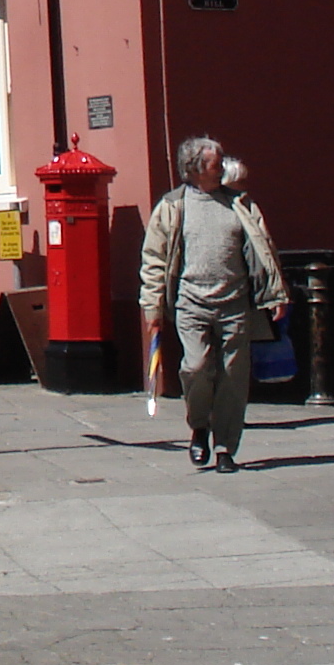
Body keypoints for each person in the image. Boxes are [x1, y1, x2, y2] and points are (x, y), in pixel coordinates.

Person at [139, 134, 287, 474]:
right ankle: (199, 426)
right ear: (195, 169)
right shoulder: (173, 207)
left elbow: (265, 250)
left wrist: (277, 295)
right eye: (215, 163)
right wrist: (153, 308)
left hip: (235, 304)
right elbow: (154, 260)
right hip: (191, 303)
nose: (222, 168)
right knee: (195, 367)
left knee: (234, 376)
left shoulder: (242, 204)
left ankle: (225, 448)